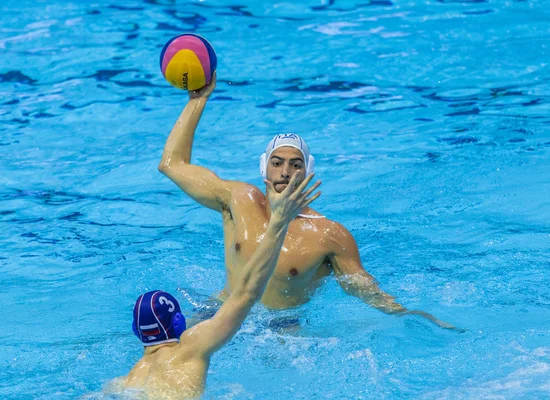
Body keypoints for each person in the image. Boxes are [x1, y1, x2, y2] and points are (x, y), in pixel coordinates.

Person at [159, 72, 457, 330]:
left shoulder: (328, 235)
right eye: (277, 163)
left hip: (279, 327)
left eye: (295, 164)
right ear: (264, 167)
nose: (285, 172)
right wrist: (197, 100)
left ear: (307, 172)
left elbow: (367, 291)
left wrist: (410, 315)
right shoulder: (237, 200)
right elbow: (171, 164)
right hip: (220, 312)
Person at [109, 173, 321, 399]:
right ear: (179, 323)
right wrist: (278, 220)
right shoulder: (190, 349)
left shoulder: (121, 384)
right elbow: (246, 291)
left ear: (136, 331)